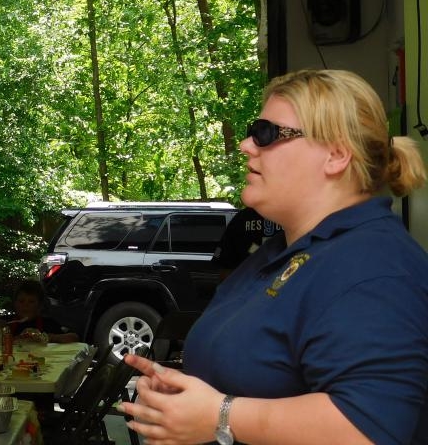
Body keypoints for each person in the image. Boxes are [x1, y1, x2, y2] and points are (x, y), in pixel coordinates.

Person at [122, 69, 428, 445]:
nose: (247, 145)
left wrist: (220, 414)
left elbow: (366, 428)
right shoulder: (283, 252)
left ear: (335, 155)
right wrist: (185, 400)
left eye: (267, 133)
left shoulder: (373, 265)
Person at [211, 205, 282, 277]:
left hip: (250, 280)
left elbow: (224, 264)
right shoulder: (291, 217)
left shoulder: (241, 218)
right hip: (285, 280)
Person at [8, 280, 78, 344]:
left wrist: (48, 337)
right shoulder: (7, 323)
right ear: (15, 304)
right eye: (21, 301)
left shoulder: (49, 324)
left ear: (40, 306)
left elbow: (73, 337)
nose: (26, 305)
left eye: (31, 301)